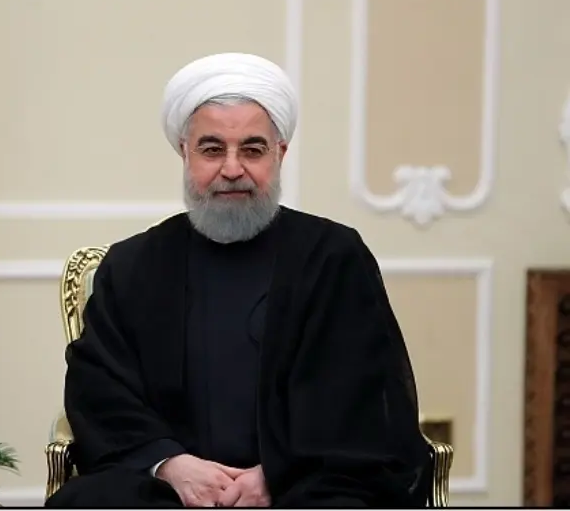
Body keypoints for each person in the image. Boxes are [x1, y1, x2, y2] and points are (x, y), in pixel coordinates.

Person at [45, 52, 432, 508]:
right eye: (212, 150)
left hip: (304, 481)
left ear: (279, 154)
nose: (232, 169)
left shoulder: (333, 257)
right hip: (169, 488)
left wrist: (276, 474)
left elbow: (360, 397)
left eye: (252, 149)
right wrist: (171, 464)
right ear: (185, 152)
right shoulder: (134, 265)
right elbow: (99, 389)